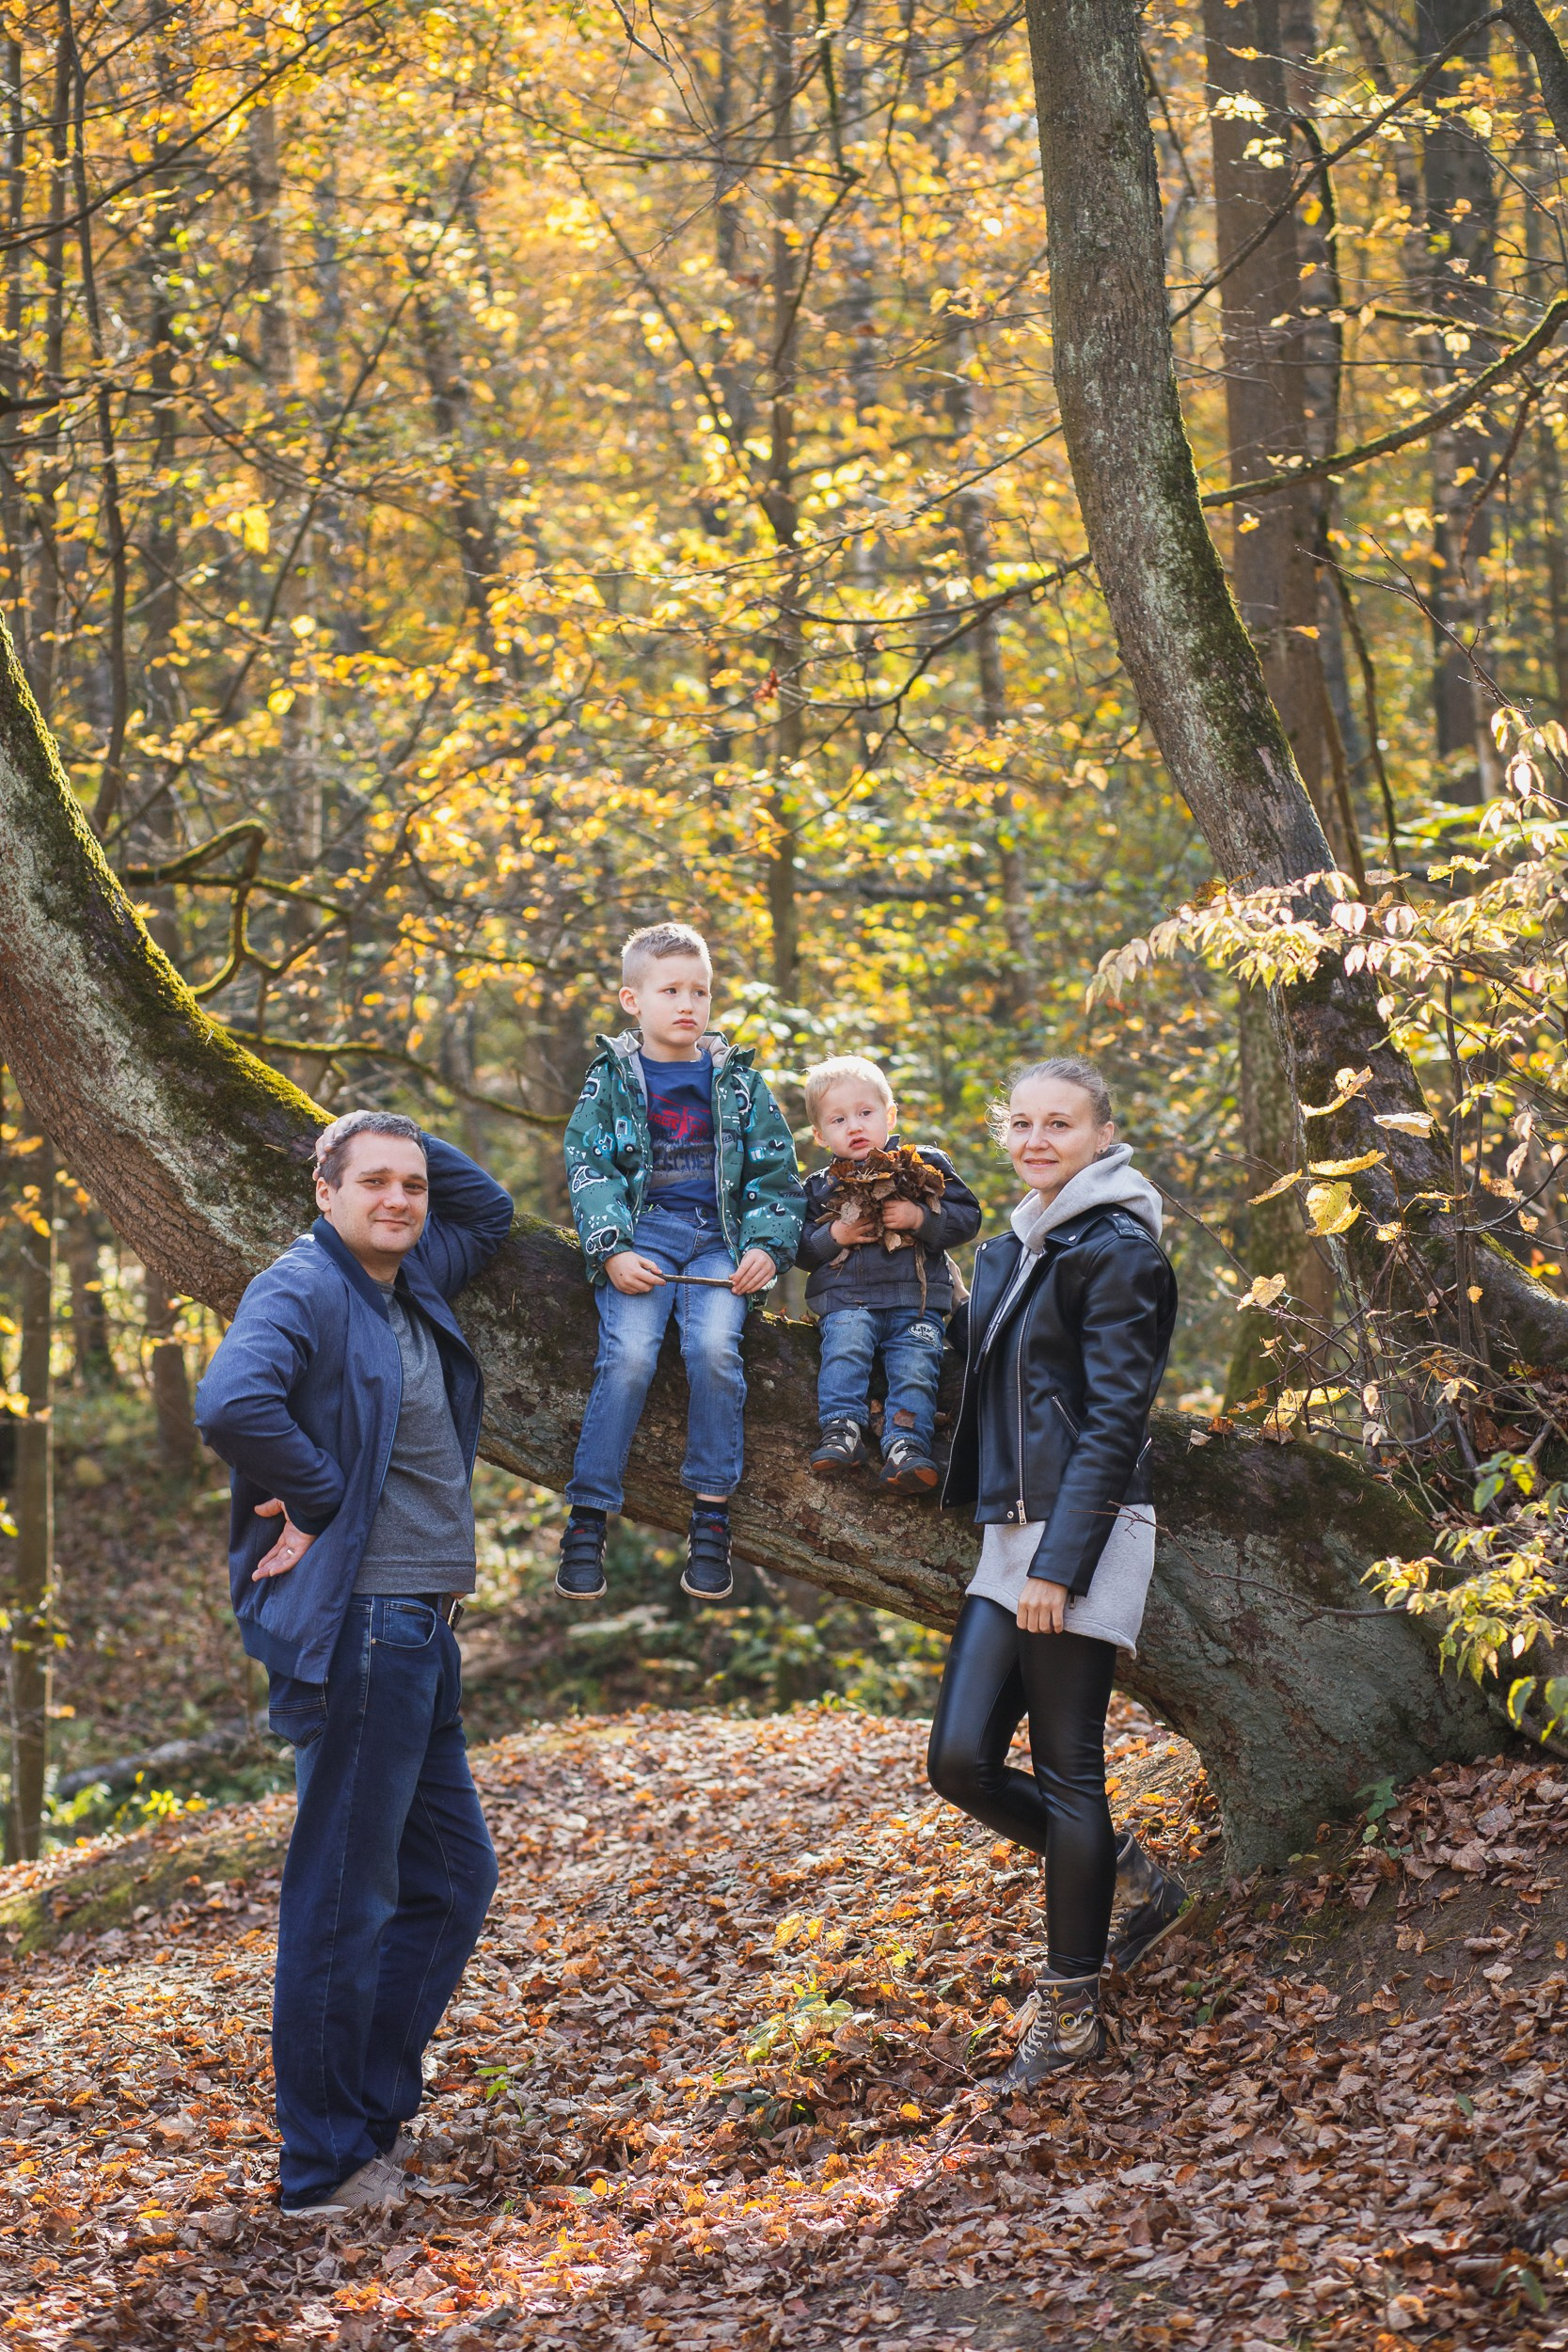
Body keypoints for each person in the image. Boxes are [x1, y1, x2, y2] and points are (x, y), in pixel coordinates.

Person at [196, 1110, 515, 2215]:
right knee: (344, 1896)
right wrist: (324, 1493)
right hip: (363, 1630)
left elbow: (493, 1210)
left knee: (452, 1876)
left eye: (410, 1182)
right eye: (371, 1180)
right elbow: (230, 1399)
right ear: (321, 1191)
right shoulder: (305, 1287)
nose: (400, 1198)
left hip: (420, 1623)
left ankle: (366, 2118)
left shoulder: (404, 1271)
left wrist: (397, 1125)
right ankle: (323, 2164)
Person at [928, 1057, 1187, 2085]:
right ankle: (1130, 1878)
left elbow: (1116, 1419)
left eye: (1060, 1124)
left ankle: (1071, 2016)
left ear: (1099, 1134)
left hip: (1081, 1534)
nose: (1038, 1139)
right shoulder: (1020, 1241)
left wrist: (1061, 1567)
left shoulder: (1115, 1249)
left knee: (1071, 1772)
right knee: (957, 1759)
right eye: (1023, 1123)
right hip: (1009, 1537)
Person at [555, 922, 805, 1603]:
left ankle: (711, 1514)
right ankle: (587, 1516)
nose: (688, 1003)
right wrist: (611, 1249)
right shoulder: (611, 1079)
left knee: (713, 1350)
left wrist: (764, 1247)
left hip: (718, 1241)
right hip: (645, 1236)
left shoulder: (740, 1082)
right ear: (632, 1001)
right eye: (670, 990)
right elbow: (588, 1164)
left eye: (700, 990)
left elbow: (776, 1173)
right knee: (630, 1354)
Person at [795, 1055, 981, 1491]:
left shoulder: (923, 1165)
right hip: (847, 1300)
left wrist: (920, 1218)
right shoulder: (819, 1188)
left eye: (865, 1113)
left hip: (916, 1302)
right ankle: (842, 1430)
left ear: (889, 1114)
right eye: (839, 1119)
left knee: (917, 1364)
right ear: (821, 1135)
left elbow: (967, 1217)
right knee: (844, 1351)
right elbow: (798, 1249)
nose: (855, 1126)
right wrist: (834, 1235)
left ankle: (906, 1446)